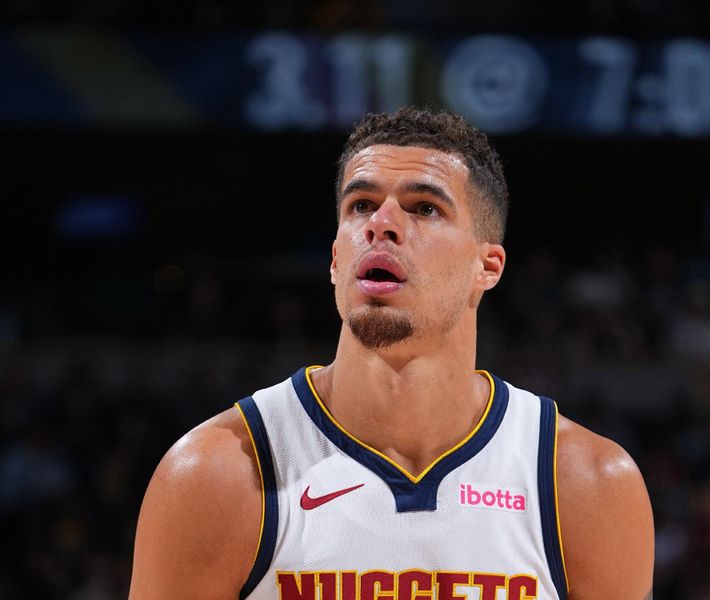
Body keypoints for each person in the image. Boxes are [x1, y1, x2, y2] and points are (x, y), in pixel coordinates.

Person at [129, 107, 654, 600]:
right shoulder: (215, 475)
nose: (380, 224)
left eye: (424, 208)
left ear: (487, 267)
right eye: (360, 205)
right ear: (336, 259)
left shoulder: (586, 484)